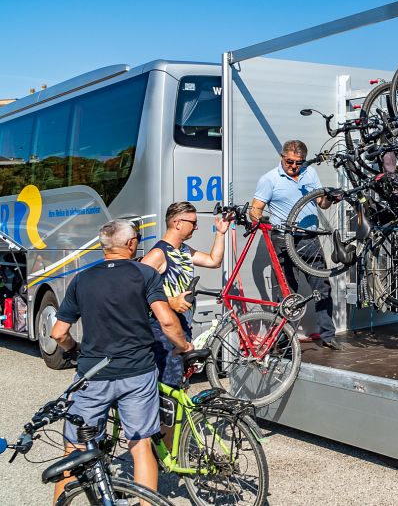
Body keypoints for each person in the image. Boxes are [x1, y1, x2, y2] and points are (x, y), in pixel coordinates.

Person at [49, 219, 193, 503]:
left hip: (93, 373)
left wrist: (74, 349)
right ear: (130, 244)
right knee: (139, 446)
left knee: (75, 448)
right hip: (137, 373)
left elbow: (58, 333)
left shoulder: (82, 279)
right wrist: (184, 345)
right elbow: (166, 320)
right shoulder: (144, 274)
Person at [249, 139, 340, 350]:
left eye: (298, 162)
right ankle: (283, 341)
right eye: (289, 161)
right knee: (286, 293)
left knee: (323, 287)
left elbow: (322, 204)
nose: (293, 166)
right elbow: (255, 209)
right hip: (283, 240)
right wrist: (259, 219)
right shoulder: (269, 179)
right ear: (282, 157)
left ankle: (328, 336)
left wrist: (330, 199)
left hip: (310, 239)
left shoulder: (310, 174)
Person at [141, 201, 231, 386]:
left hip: (182, 327)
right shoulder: (158, 254)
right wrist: (171, 301)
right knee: (168, 384)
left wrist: (221, 233)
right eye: (193, 222)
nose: (196, 227)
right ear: (177, 223)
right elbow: (132, 290)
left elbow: (214, 261)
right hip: (162, 331)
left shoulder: (183, 250)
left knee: (181, 383)